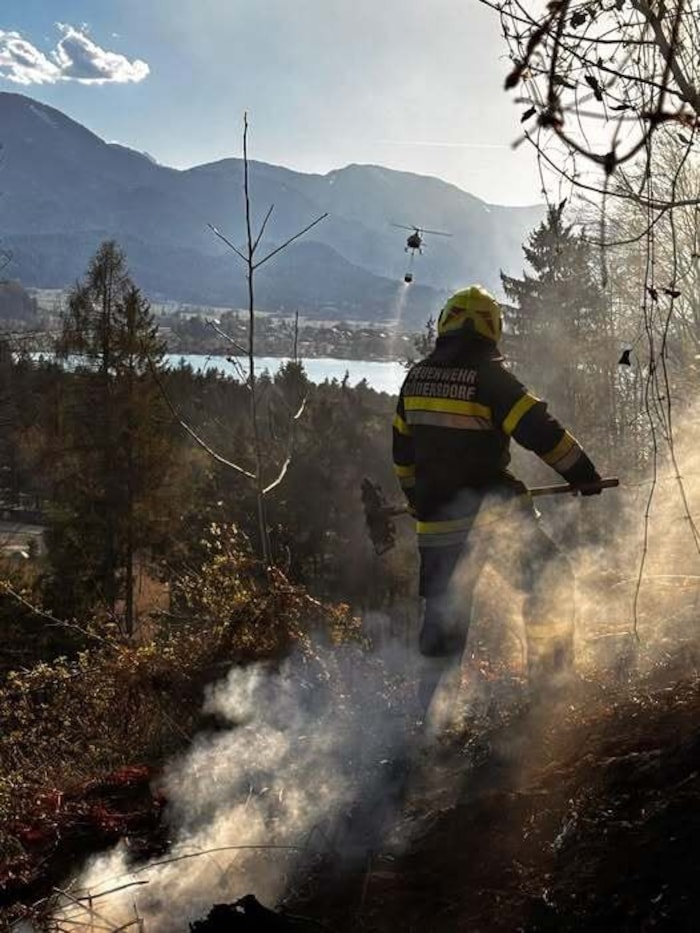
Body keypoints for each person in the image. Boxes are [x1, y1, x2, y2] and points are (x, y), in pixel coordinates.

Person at [392, 285, 602, 722]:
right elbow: (540, 431)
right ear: (493, 330)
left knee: (445, 619)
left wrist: (418, 501)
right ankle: (550, 692)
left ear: (445, 324)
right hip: (492, 516)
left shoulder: (415, 379)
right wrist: (582, 474)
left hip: (436, 525)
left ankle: (428, 720)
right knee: (548, 579)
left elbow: (403, 456)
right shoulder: (491, 379)